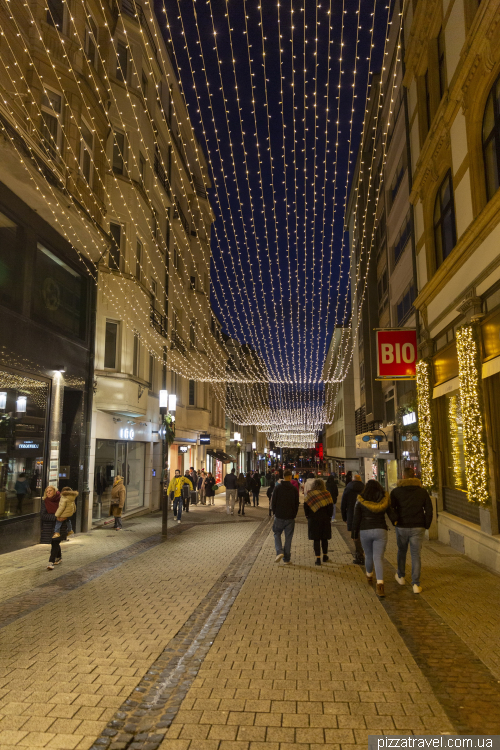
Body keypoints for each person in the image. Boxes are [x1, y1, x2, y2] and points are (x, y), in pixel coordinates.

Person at [351, 479, 397, 598]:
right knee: (378, 557)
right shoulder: (384, 499)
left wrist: (354, 534)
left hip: (365, 530)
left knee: (368, 554)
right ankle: (380, 585)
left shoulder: (360, 500)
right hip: (380, 530)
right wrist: (396, 522)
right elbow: (391, 513)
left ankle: (369, 575)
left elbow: (356, 518)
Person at [390, 467, 433, 594]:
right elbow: (429, 510)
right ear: (414, 476)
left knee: (401, 551)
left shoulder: (396, 492)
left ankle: (401, 576)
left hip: (402, 526)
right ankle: (415, 584)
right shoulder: (422, 492)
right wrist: (426, 525)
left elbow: (391, 508)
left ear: (403, 476)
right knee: (416, 555)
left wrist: (395, 521)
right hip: (418, 526)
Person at [303, 478, 334, 565]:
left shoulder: (310, 494)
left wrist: (307, 516)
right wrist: (329, 516)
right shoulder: (327, 494)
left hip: (313, 519)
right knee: (324, 538)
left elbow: (305, 506)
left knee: (316, 539)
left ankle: (318, 559)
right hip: (325, 519)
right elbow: (330, 507)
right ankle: (325, 556)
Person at [271, 469, 300, 564]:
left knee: (277, 533)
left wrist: (275, 512)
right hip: (290, 517)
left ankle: (279, 551)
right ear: (290, 477)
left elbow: (273, 501)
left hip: (279, 515)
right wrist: (294, 514)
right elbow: (296, 503)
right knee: (288, 538)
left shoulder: (278, 488)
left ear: (283, 477)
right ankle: (287, 558)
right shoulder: (294, 489)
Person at [341, 474, 365, 564]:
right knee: (363, 534)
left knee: (355, 535)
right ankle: (364, 553)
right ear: (360, 479)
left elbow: (343, 504)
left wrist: (344, 517)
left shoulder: (348, 488)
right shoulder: (365, 488)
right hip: (363, 515)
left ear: (352, 480)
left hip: (352, 514)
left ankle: (359, 555)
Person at [41, 486, 66, 570]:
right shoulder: (45, 502)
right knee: (54, 542)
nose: (48, 493)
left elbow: (68, 511)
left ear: (55, 491)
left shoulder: (62, 500)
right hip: (49, 525)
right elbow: (43, 515)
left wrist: (63, 517)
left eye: (50, 491)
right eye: (47, 491)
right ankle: (58, 557)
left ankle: (51, 562)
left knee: (55, 542)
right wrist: (55, 517)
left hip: (60, 525)